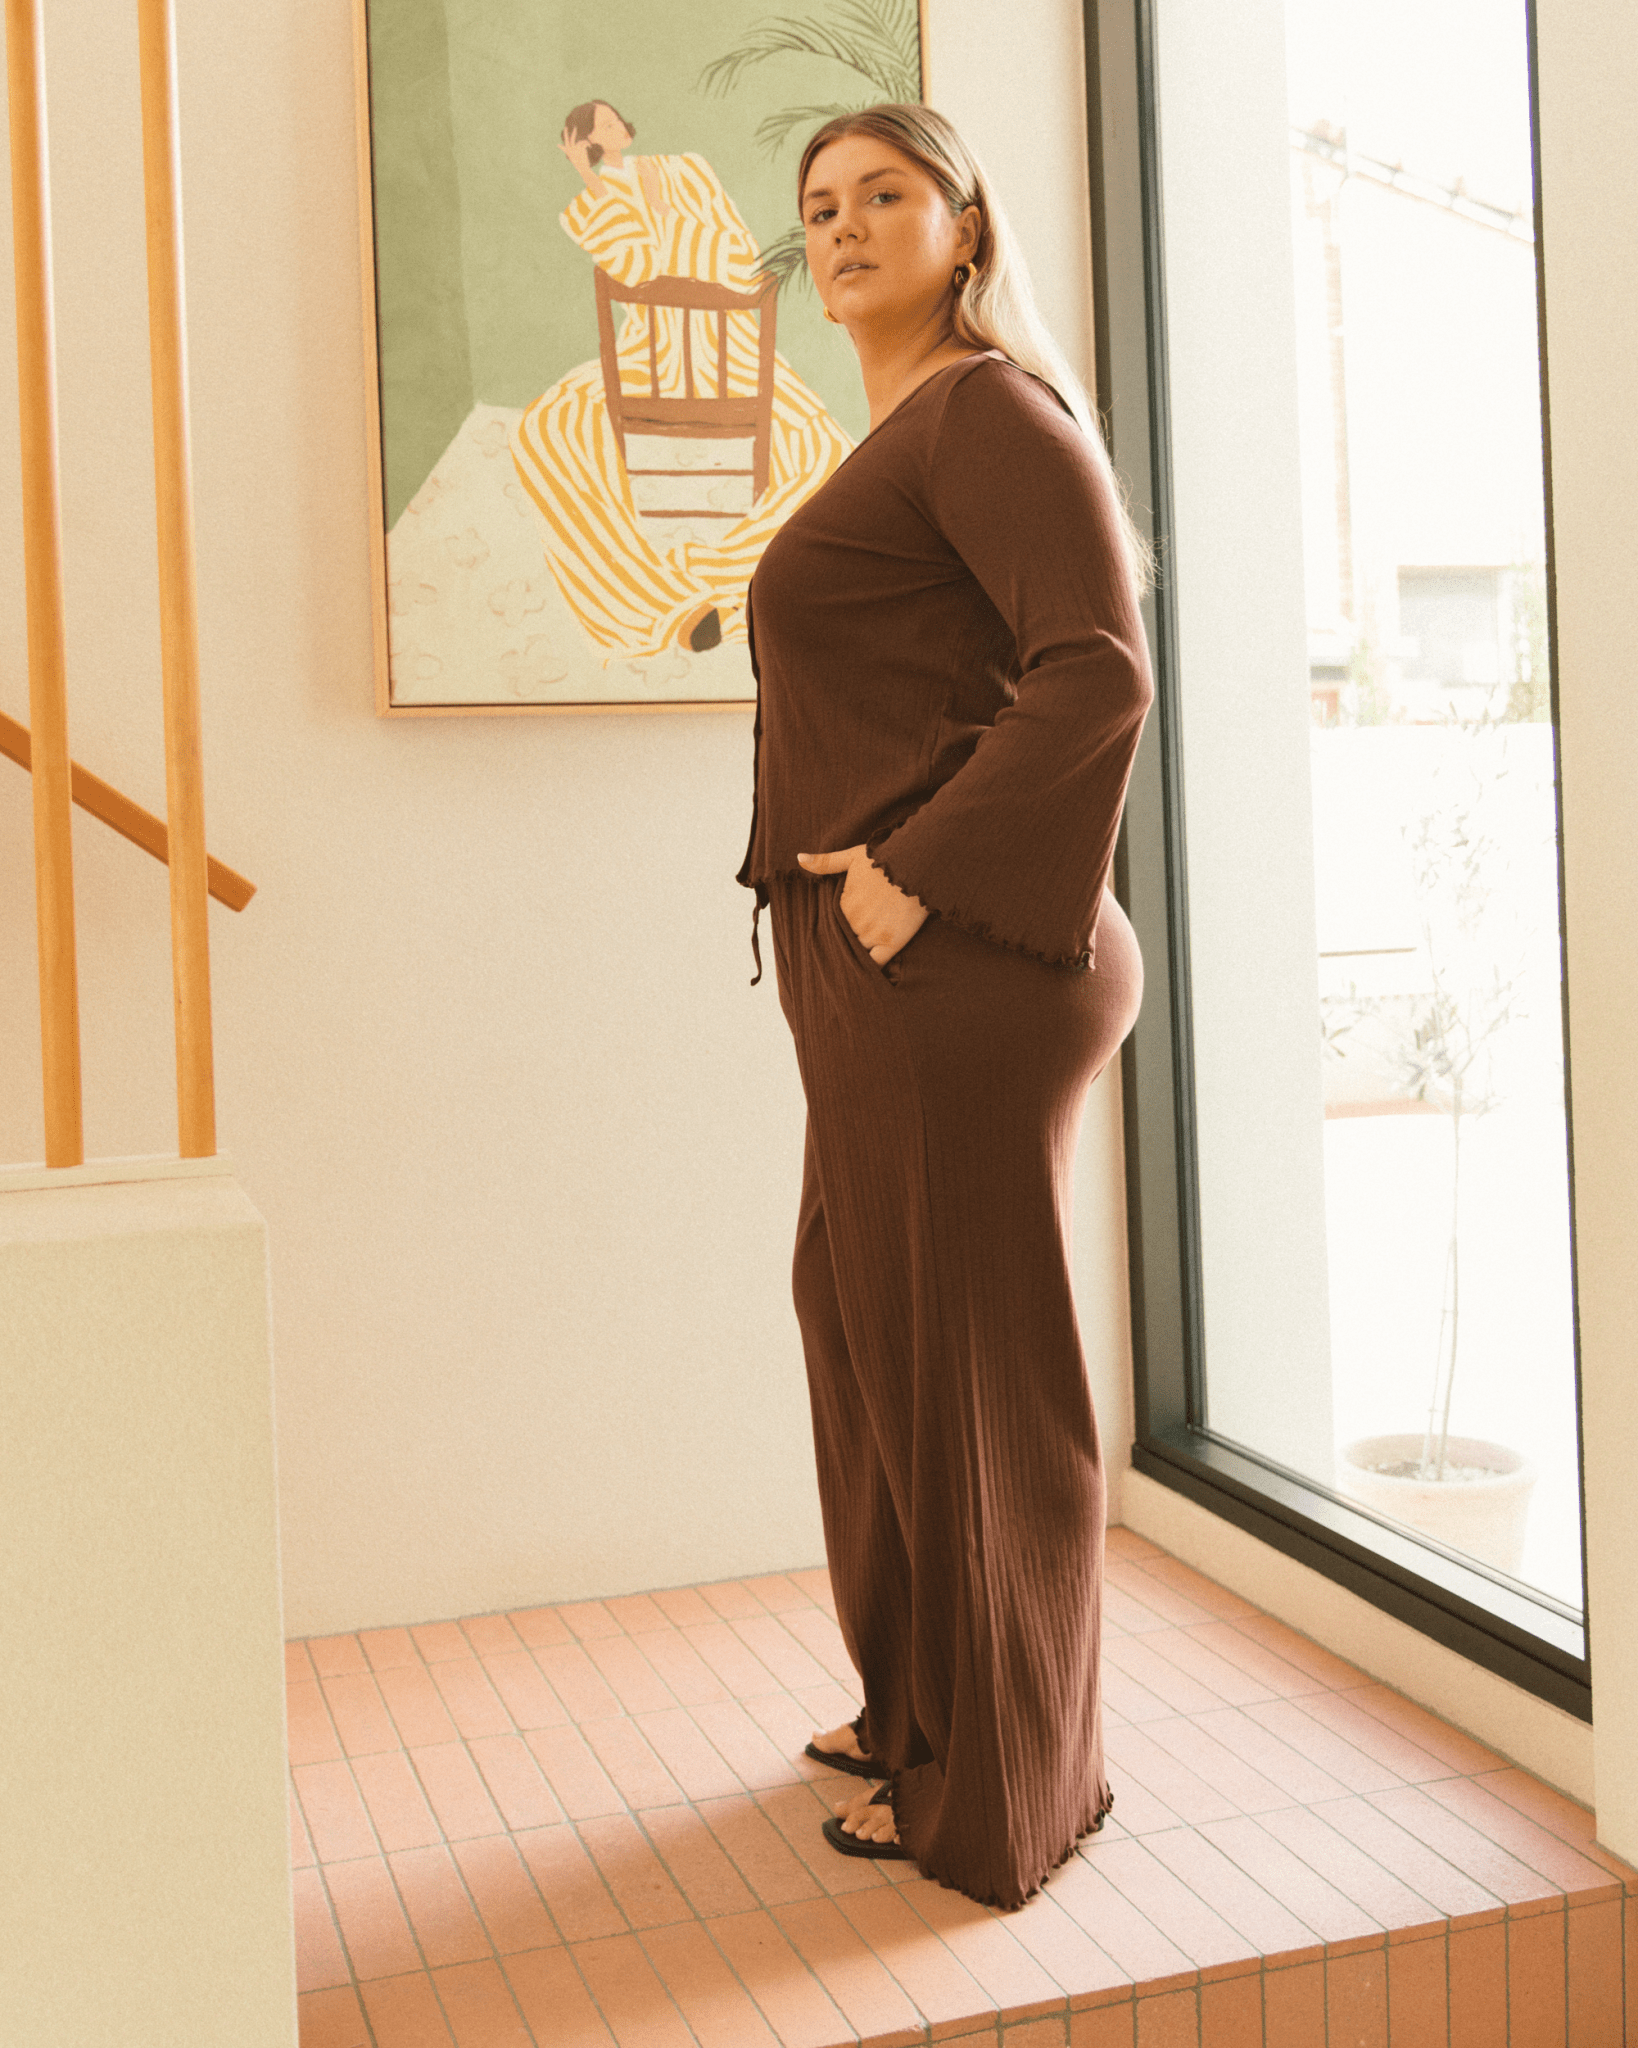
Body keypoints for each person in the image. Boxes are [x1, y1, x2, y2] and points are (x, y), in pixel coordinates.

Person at [734, 103, 1154, 1910]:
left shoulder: (985, 410)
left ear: (963, 226)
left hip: (957, 959)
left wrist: (909, 872)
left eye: (882, 195)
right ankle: (921, 1709)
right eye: (819, 205)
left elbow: (1098, 671)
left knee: (967, 1371)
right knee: (862, 1323)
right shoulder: (903, 431)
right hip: (891, 968)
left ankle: (1001, 1789)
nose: (841, 226)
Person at [509, 101, 852, 660]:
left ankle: (715, 581)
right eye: (599, 126)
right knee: (547, 425)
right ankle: (661, 602)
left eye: (613, 118)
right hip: (647, 350)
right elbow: (633, 268)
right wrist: (592, 180)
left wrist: (666, 221)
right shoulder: (591, 203)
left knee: (824, 452)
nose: (612, 127)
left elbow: (737, 256)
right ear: (584, 139)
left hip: (731, 348)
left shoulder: (684, 169)